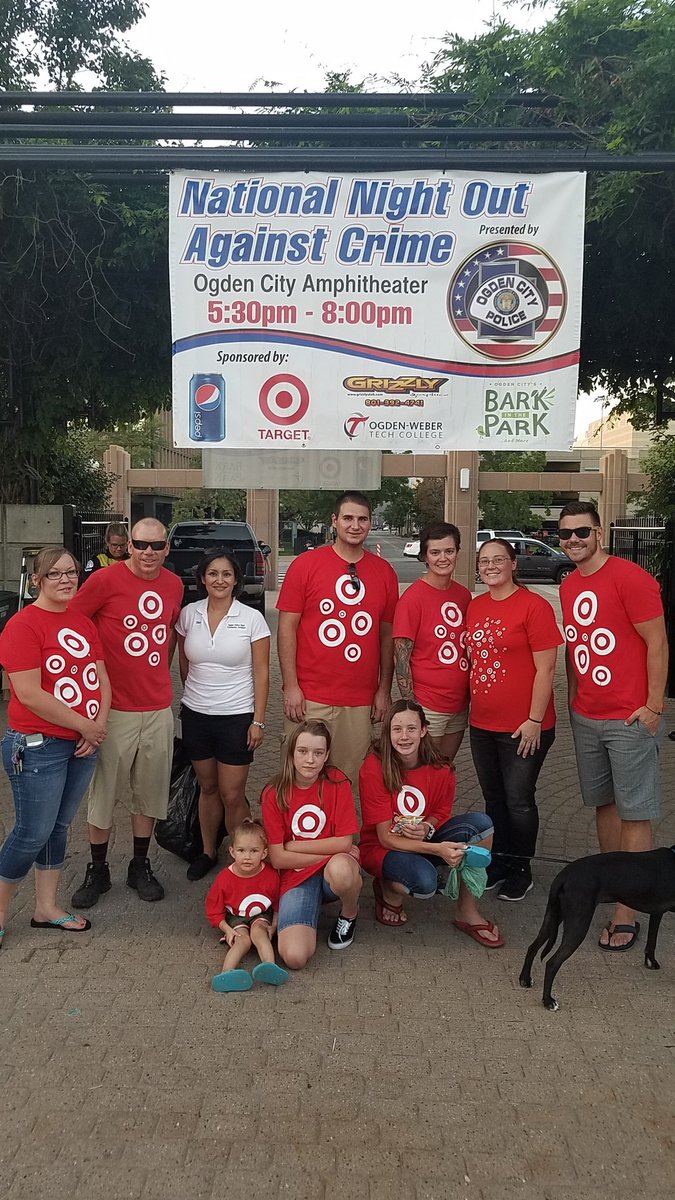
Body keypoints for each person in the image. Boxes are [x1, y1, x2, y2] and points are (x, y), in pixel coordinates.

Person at [559, 500, 668, 951]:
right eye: (565, 534)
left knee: (634, 810)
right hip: (588, 715)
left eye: (582, 532)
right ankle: (610, 879)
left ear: (599, 533)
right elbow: (574, 647)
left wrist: (654, 706)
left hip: (629, 716)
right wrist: (571, 700)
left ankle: (631, 905)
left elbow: (657, 643)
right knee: (603, 804)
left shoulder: (630, 577)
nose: (573, 541)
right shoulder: (568, 585)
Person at [69, 518, 184, 907]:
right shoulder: (103, 580)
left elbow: (168, 635)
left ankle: (139, 864)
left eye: (157, 545)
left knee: (150, 793)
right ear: (128, 546)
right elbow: (73, 624)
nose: (149, 552)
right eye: (141, 544)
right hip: (112, 709)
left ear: (167, 548)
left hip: (157, 708)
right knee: (104, 794)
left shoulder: (174, 584)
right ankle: (97, 869)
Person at [0, 547, 111, 946]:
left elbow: (100, 676)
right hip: (37, 746)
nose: (66, 579)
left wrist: (97, 725)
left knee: (58, 828)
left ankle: (45, 908)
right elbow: (28, 693)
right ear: (36, 581)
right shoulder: (22, 625)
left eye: (72, 572)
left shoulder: (81, 621)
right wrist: (85, 725)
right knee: (31, 832)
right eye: (55, 574)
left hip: (81, 744)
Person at [277, 491, 399, 788]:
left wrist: (384, 689)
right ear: (334, 521)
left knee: (346, 783)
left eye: (362, 519)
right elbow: (286, 629)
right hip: (309, 696)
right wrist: (291, 686)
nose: (355, 525)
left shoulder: (384, 573)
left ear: (370, 523)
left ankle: (342, 836)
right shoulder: (305, 565)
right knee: (299, 780)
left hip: (358, 702)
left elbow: (387, 638)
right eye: (348, 518)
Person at [358, 700, 502, 946]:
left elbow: (441, 811)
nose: (404, 736)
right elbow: (385, 837)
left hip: (423, 838)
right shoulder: (374, 767)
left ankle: (467, 910)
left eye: (411, 728)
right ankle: (388, 888)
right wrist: (439, 850)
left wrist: (428, 828)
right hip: (384, 849)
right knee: (425, 884)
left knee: (482, 825)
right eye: (397, 729)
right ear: (388, 732)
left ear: (423, 730)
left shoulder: (441, 766)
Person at [468, 539, 563, 902]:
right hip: (483, 722)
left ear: (513, 564)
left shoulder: (533, 606)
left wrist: (534, 719)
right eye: (484, 561)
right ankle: (500, 860)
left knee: (519, 799)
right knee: (494, 798)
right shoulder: (475, 606)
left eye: (498, 560)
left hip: (524, 725)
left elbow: (547, 668)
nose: (491, 566)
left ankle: (521, 868)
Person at [175, 548, 270, 882]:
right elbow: (185, 665)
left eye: (226, 574)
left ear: (236, 580)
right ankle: (207, 851)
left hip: (236, 717)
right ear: (203, 578)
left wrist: (258, 721)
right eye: (213, 573)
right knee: (208, 787)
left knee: (232, 794)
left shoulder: (252, 618)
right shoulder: (189, 614)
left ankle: (247, 857)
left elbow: (262, 672)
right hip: (197, 716)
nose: (219, 580)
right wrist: (196, 698)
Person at [261, 720, 362, 968]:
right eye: (303, 751)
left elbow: (345, 841)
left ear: (326, 755)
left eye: (318, 753)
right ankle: (308, 908)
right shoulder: (274, 793)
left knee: (342, 869)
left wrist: (293, 846)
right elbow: (278, 859)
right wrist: (331, 851)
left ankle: (349, 913)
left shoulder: (338, 782)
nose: (310, 760)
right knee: (294, 958)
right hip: (296, 877)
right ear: (292, 752)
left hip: (331, 875)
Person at [393, 521, 471, 760]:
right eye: (435, 552)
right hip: (428, 705)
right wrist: (412, 709)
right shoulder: (413, 598)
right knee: (424, 771)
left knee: (444, 770)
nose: (442, 558)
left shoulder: (463, 595)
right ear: (425, 556)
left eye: (449, 551)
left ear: (458, 552)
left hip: (459, 704)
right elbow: (401, 657)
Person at [205, 819, 288, 992]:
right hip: (236, 917)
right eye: (241, 851)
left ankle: (269, 967)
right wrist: (227, 929)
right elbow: (214, 910)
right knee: (243, 940)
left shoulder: (271, 875)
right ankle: (226, 974)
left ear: (264, 853)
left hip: (261, 914)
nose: (247, 856)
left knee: (259, 933)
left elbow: (277, 901)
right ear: (232, 851)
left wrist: (274, 925)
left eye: (254, 851)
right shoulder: (224, 879)